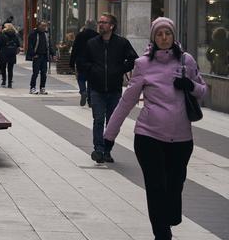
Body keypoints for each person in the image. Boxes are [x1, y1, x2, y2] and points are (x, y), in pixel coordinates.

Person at [104, 17, 206, 240]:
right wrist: (109, 135)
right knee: (156, 185)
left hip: (181, 137)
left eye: (167, 33)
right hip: (148, 135)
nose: (163, 38)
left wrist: (190, 85)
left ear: (173, 35)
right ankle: (161, 234)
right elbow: (127, 101)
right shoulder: (143, 64)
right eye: (159, 34)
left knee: (175, 183)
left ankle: (167, 218)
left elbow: (203, 91)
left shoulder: (186, 61)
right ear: (153, 37)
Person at [77, 14, 138, 164]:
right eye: (100, 22)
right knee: (98, 120)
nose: (101, 25)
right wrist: (92, 71)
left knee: (112, 122)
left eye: (104, 22)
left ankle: (107, 150)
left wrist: (119, 69)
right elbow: (81, 61)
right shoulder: (92, 43)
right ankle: (98, 149)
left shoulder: (121, 43)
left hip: (114, 89)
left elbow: (133, 59)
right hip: (96, 89)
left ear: (112, 26)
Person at [69, 20, 99, 107]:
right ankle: (90, 100)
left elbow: (75, 49)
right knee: (91, 81)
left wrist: (71, 62)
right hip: (93, 61)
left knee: (81, 78)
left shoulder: (80, 35)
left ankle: (83, 91)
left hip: (81, 60)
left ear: (86, 25)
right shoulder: (97, 36)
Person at [26, 21, 56, 95]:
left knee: (44, 73)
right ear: (38, 26)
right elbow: (30, 45)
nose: (44, 27)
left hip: (44, 56)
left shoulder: (46, 34)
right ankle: (32, 88)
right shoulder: (33, 34)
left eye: (45, 26)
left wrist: (53, 54)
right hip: (37, 56)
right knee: (35, 73)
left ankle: (42, 87)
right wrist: (33, 54)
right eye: (42, 26)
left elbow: (49, 45)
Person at [0, 23, 22, 88]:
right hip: (12, 53)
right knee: (10, 69)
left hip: (4, 53)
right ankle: (10, 82)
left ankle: (4, 80)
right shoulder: (15, 35)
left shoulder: (3, 34)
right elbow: (18, 44)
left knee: (3, 67)